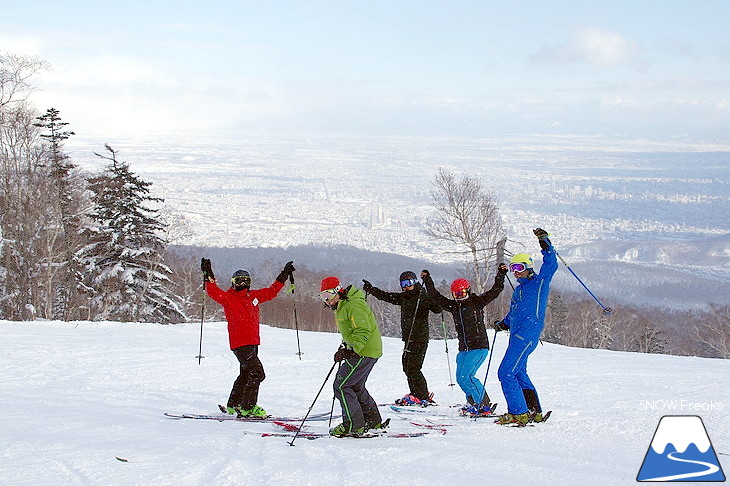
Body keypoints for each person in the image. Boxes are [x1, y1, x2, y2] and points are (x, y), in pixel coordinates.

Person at [200, 258, 295, 418]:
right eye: (239, 281)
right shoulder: (228, 298)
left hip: (252, 343)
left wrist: (284, 275)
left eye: (246, 281)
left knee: (246, 373)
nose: (243, 284)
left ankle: (234, 404)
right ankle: (248, 408)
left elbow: (271, 291)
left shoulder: (253, 297)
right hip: (241, 343)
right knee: (257, 373)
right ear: (233, 283)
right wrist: (208, 273)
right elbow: (213, 291)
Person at [421, 264, 508, 417]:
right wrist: (428, 280)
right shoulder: (454, 306)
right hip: (464, 349)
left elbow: (495, 291)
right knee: (460, 378)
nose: (459, 297)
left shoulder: (477, 302)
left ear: (468, 290)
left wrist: (501, 274)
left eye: (461, 293)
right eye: (456, 294)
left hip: (479, 346)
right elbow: (435, 296)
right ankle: (473, 402)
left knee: (467, 376)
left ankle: (483, 404)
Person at [493, 228, 558, 426]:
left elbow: (551, 264)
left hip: (527, 335)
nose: (516, 272)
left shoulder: (539, 283)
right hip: (517, 335)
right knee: (519, 372)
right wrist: (503, 323)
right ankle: (533, 411)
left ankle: (518, 413)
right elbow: (515, 313)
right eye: (513, 269)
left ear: (529, 267)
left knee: (505, 372)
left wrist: (544, 242)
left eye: (519, 267)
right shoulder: (519, 291)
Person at [362, 271, 441, 406]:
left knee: (414, 368)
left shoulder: (423, 296)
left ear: (415, 281)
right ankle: (415, 393)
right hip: (408, 339)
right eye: (403, 284)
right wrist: (372, 290)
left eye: (408, 283)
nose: (406, 286)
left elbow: (438, 308)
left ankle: (422, 395)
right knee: (406, 367)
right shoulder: (404, 297)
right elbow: (387, 296)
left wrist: (428, 282)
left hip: (420, 338)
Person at [320, 276, 385, 437]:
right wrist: (344, 347)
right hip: (364, 350)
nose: (326, 300)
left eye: (328, 295)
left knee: (342, 385)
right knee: (355, 385)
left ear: (338, 291)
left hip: (364, 351)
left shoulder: (353, 304)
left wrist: (353, 350)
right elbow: (351, 330)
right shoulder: (342, 304)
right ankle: (373, 420)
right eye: (323, 297)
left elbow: (362, 330)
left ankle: (353, 426)